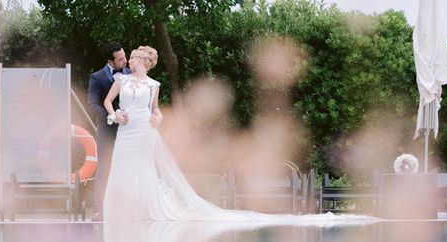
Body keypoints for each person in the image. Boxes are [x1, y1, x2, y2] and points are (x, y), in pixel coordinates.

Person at [101, 46, 371, 224]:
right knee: (124, 166)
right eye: (131, 56)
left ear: (145, 62)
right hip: (127, 130)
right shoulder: (121, 81)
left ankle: (143, 211)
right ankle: (120, 211)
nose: (131, 59)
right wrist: (115, 116)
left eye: (135, 56)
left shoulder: (154, 85)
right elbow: (107, 102)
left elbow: (156, 111)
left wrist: (157, 119)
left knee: (144, 169)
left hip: (145, 131)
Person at [87, 42, 130, 221]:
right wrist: (112, 117)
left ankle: (124, 208)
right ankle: (99, 210)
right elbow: (93, 105)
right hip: (107, 131)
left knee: (127, 169)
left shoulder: (131, 74)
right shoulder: (97, 78)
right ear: (110, 61)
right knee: (104, 169)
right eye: (120, 59)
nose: (125, 61)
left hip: (128, 131)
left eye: (125, 56)